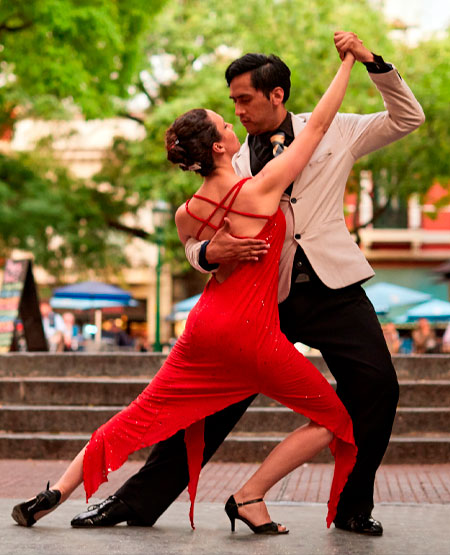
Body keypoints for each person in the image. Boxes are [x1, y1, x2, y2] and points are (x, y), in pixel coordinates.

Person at [73, 31, 425, 536]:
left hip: (334, 288)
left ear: (275, 95)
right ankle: (137, 501)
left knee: (378, 388)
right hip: (258, 300)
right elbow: (196, 237)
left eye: (244, 98)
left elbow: (408, 118)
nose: (235, 110)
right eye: (231, 100)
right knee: (211, 401)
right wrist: (208, 254)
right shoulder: (229, 158)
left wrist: (373, 63)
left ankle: (352, 506)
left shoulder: (334, 129)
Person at [12, 48, 357, 534]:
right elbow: (317, 127)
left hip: (202, 329)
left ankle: (56, 491)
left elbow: (199, 257)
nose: (233, 124)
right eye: (225, 124)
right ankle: (250, 495)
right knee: (334, 419)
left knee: (139, 414)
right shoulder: (259, 192)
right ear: (217, 148)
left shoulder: (186, 213)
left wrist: (211, 253)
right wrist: (347, 64)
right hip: (251, 334)